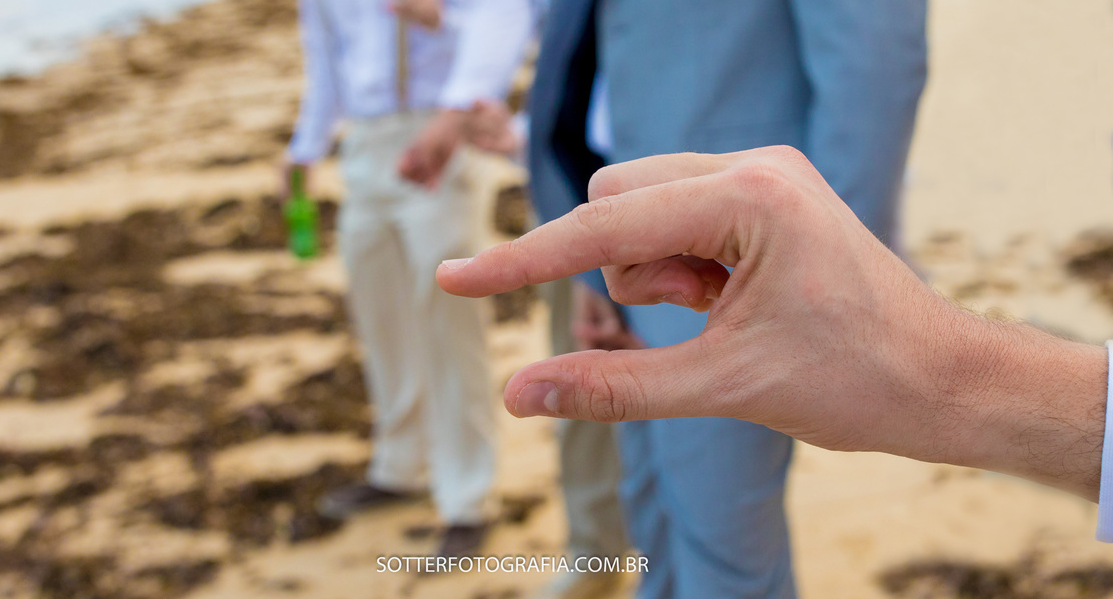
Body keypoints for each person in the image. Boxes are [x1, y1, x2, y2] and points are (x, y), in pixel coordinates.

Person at [522, 0, 929, 596]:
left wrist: (832, 294)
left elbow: (872, 48)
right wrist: (597, 258)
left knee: (724, 563)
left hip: (739, 282)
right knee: (655, 530)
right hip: (641, 265)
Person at [435, 146, 1113, 541]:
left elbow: (873, 51)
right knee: (655, 515)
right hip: (665, 249)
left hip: (756, 273)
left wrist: (870, 273)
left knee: (725, 531)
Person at [400, 0, 642, 597]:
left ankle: (667, 557)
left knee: (679, 388)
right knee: (578, 375)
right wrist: (461, 110)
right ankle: (595, 556)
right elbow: (504, 11)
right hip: (573, 172)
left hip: (669, 153)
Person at [284, 0, 496, 559]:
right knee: (380, 316)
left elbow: (502, 28)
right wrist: (304, 151)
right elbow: (324, 59)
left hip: (436, 138)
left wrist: (443, 17)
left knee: (447, 318)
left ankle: (469, 494)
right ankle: (401, 465)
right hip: (365, 149)